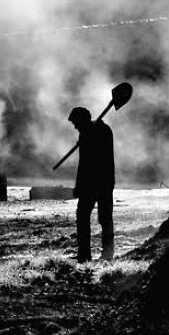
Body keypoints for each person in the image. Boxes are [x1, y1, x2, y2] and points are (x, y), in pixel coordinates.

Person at [68, 106, 115, 263]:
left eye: (76, 123)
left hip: (101, 182)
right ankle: (84, 255)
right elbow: (83, 164)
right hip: (91, 184)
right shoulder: (86, 133)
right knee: (83, 217)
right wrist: (78, 185)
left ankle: (108, 253)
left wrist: (88, 139)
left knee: (104, 217)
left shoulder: (102, 131)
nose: (75, 126)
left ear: (83, 120)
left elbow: (92, 162)